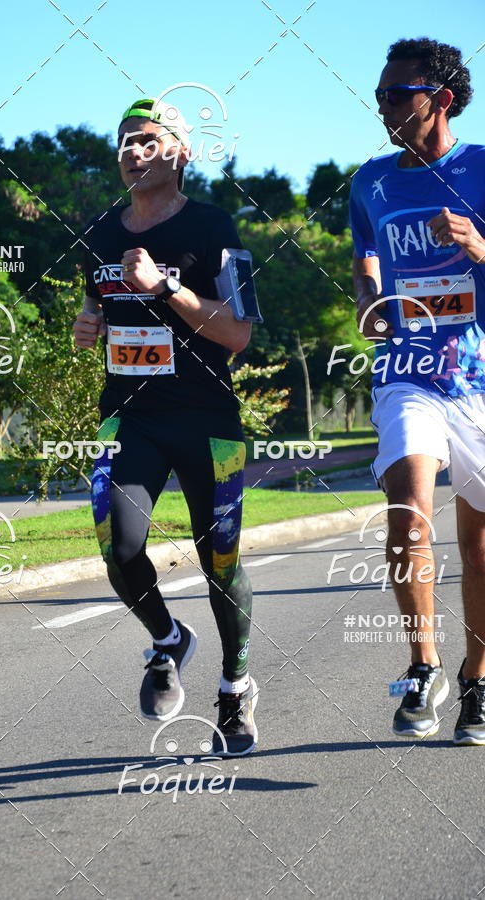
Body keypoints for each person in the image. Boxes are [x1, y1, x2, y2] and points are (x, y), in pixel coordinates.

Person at [73, 98, 259, 756]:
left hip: (209, 419)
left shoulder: (214, 227)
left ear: (179, 153)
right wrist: (87, 326)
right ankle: (166, 639)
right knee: (118, 546)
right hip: (129, 416)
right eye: (123, 141)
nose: (129, 151)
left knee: (221, 561)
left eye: (145, 141)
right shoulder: (100, 231)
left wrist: (166, 290)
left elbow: (237, 333)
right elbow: (96, 305)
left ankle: (235, 689)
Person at [350, 37, 485, 743]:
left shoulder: (484, 169)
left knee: (480, 547)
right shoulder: (370, 182)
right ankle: (423, 667)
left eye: (397, 95)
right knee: (408, 509)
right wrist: (369, 297)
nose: (384, 107)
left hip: (480, 380)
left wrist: (479, 247)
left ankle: (477, 681)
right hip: (408, 374)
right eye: (378, 95)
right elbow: (365, 259)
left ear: (442, 98)